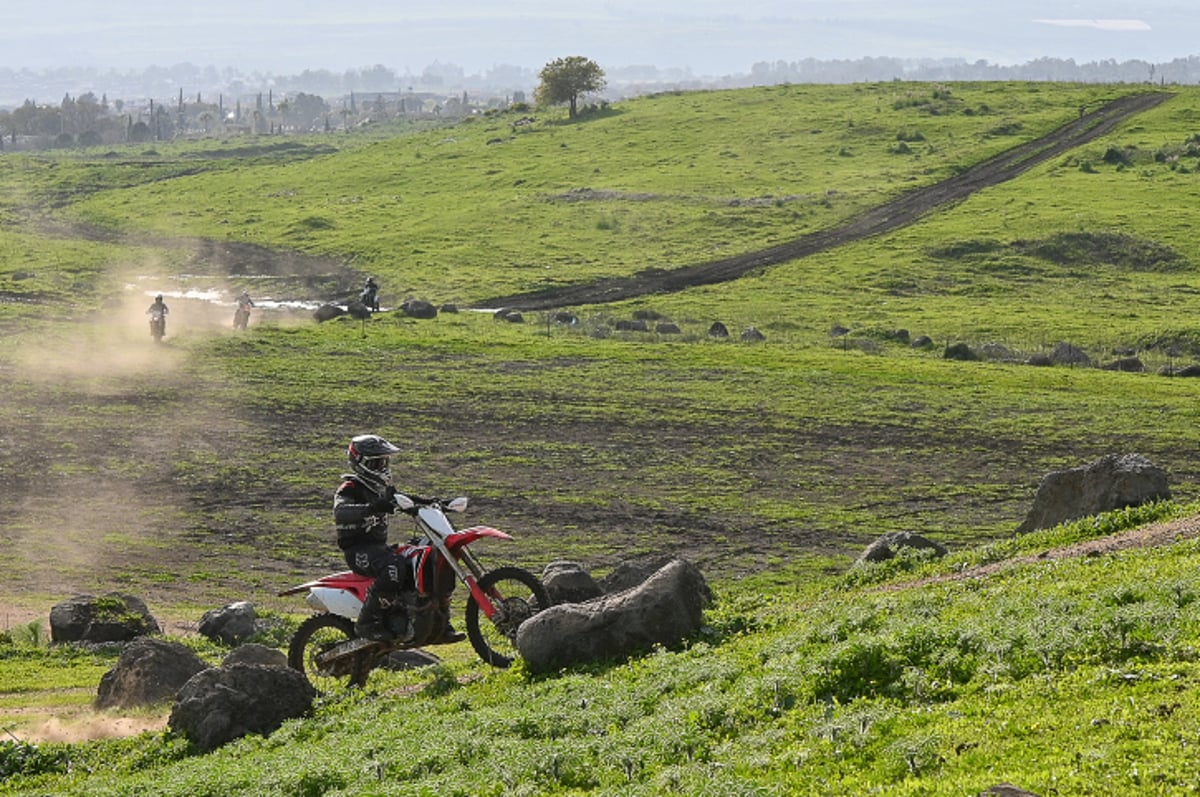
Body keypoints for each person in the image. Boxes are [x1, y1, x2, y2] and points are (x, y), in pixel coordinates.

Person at [333, 434, 464, 643]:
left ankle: (439, 622)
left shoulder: (381, 489)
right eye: (377, 462)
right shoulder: (350, 488)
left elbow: (403, 500)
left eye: (385, 461)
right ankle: (368, 622)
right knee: (393, 567)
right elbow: (341, 511)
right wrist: (372, 507)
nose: (383, 466)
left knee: (430, 556)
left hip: (378, 548)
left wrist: (433, 502)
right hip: (359, 550)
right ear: (361, 463)